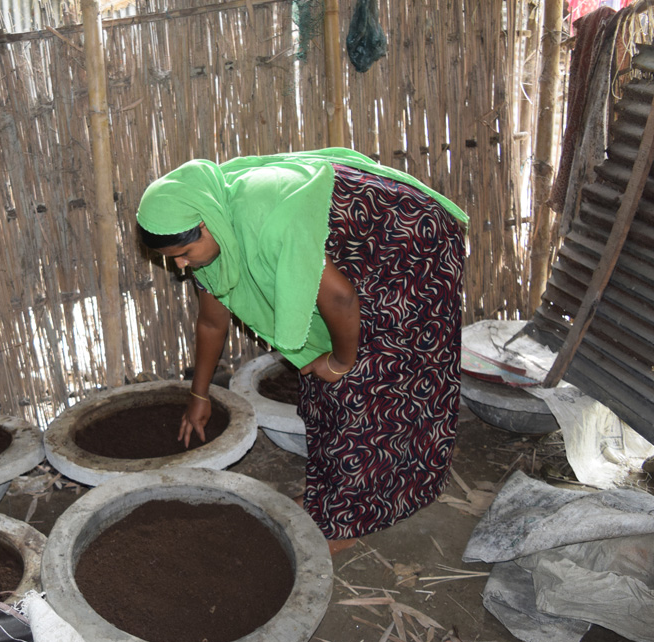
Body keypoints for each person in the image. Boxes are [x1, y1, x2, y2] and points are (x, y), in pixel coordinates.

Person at [136, 148, 468, 555]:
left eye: (184, 255)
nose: (183, 267)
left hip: (408, 241)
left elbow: (342, 299)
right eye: (173, 260)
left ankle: (346, 519)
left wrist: (342, 360)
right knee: (317, 376)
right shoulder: (216, 223)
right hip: (352, 252)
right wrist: (199, 394)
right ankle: (326, 500)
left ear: (206, 226)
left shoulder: (269, 220)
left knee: (366, 382)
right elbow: (211, 321)